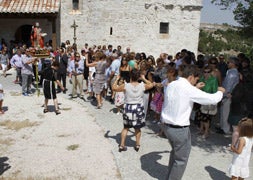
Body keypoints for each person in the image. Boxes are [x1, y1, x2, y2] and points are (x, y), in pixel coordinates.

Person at [161, 65, 225, 180]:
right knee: (181, 160)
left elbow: (184, 95)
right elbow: (211, 99)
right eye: (196, 79)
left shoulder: (172, 84)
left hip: (166, 126)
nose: (196, 81)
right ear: (191, 77)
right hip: (179, 129)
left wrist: (195, 88)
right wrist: (220, 92)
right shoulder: (188, 89)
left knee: (175, 154)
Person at [112, 69, 154, 152]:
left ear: (130, 76)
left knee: (126, 128)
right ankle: (137, 145)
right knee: (137, 128)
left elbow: (114, 88)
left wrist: (117, 79)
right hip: (138, 108)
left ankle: (122, 145)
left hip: (128, 107)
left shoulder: (126, 85)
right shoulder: (142, 85)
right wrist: (143, 78)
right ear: (138, 76)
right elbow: (151, 84)